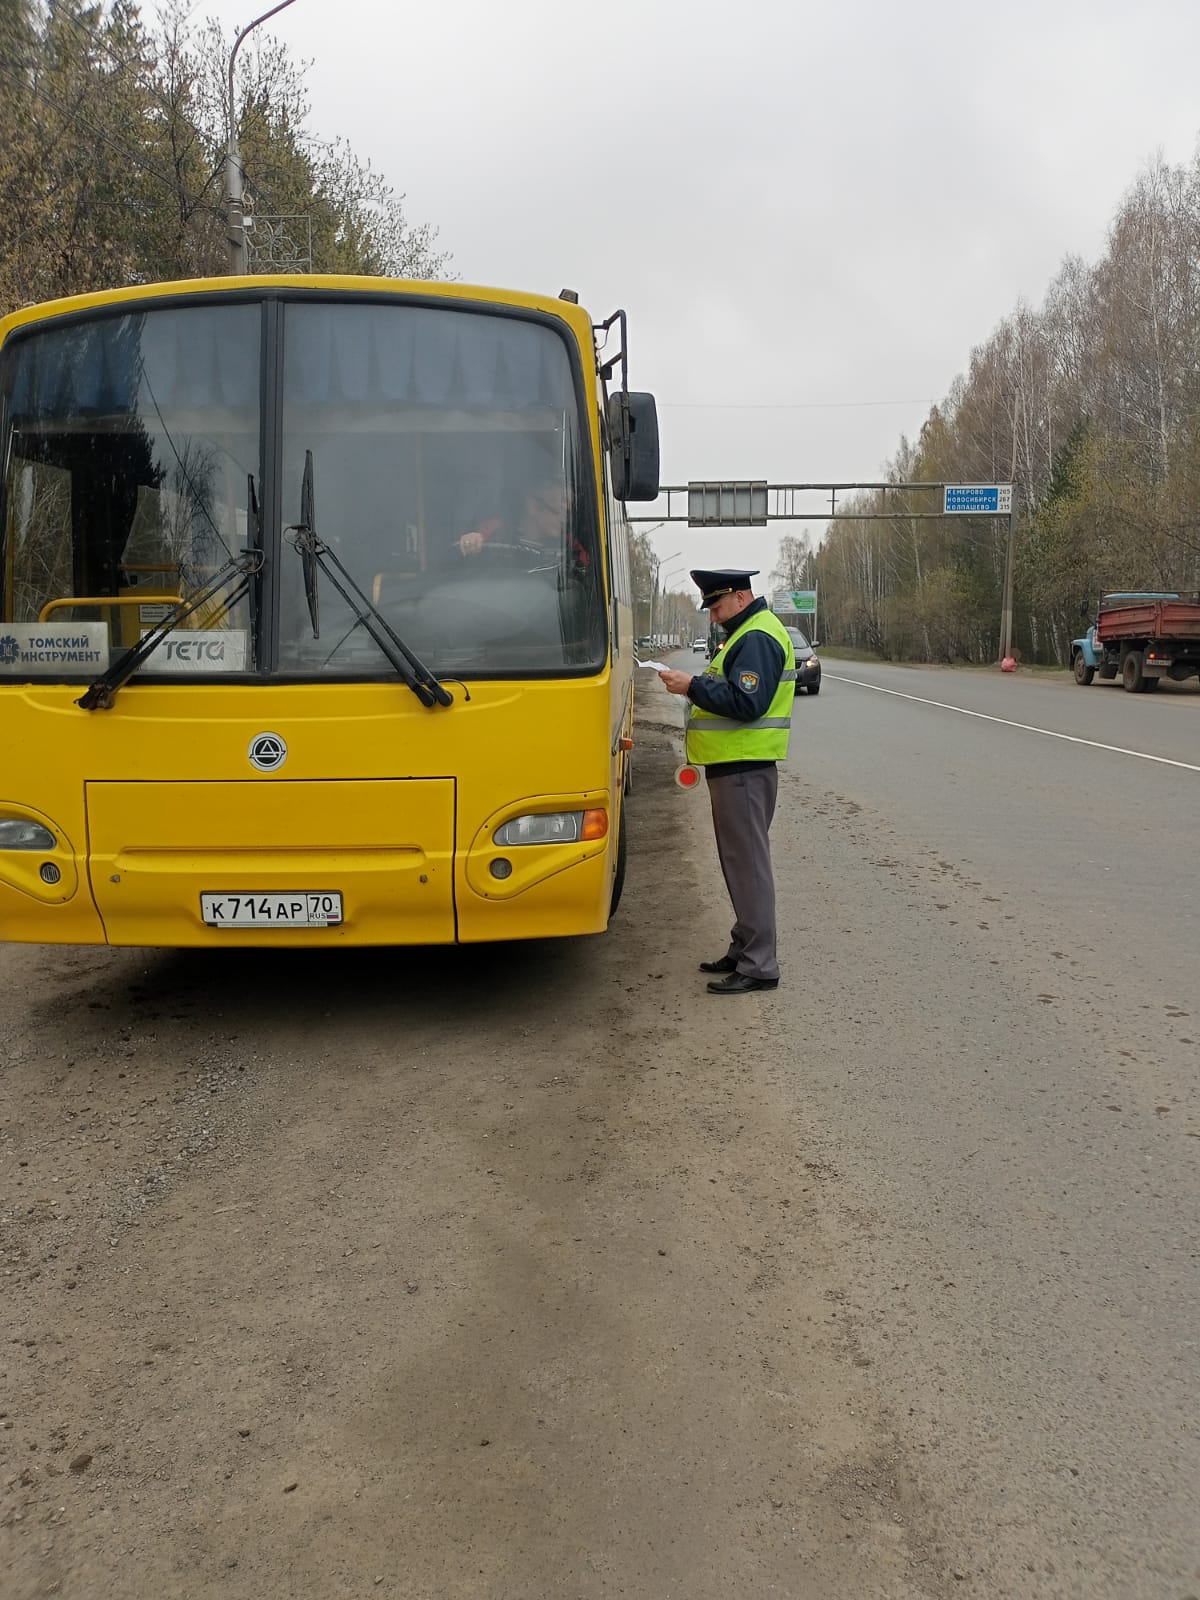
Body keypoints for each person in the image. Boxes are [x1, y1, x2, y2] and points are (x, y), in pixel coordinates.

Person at [658, 569, 795, 995]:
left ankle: (759, 965)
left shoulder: (756, 636)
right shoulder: (746, 633)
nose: (714, 617)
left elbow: (747, 702)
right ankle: (744, 947)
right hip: (736, 770)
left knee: (748, 866)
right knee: (740, 864)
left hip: (744, 770)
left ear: (739, 597)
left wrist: (691, 686)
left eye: (717, 607)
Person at [455, 479, 588, 567]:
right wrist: (470, 544)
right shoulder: (494, 531)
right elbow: (462, 557)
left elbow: (587, 571)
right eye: (559, 512)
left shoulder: (569, 544)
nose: (564, 519)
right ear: (534, 506)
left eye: (567, 513)